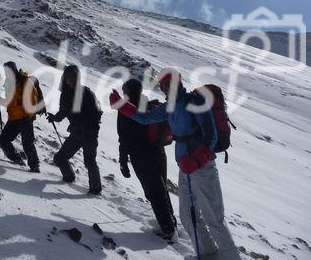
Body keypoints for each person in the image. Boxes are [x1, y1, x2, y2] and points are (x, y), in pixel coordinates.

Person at [110, 68, 241, 260]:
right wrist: (122, 105)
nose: (167, 88)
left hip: (203, 168)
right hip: (185, 168)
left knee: (215, 220)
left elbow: (211, 135)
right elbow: (145, 118)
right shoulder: (169, 106)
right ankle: (207, 254)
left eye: (170, 83)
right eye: (164, 85)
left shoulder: (194, 101)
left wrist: (197, 159)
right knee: (188, 217)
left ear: (179, 82)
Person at [117, 78, 177, 241]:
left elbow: (124, 137)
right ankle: (171, 223)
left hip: (141, 155)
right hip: (158, 152)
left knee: (154, 192)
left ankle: (167, 229)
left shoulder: (126, 106)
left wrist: (123, 161)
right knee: (162, 189)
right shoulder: (148, 103)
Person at [47, 65, 103, 195]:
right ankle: (69, 177)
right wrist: (55, 118)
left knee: (90, 162)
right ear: (65, 78)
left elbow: (97, 114)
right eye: (68, 77)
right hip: (76, 133)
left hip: (89, 134)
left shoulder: (87, 93)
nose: (70, 79)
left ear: (78, 78)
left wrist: (87, 129)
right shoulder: (65, 95)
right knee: (60, 158)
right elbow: (64, 111)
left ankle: (96, 189)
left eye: (73, 76)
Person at [0, 61, 40, 173]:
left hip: (25, 118)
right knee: (3, 140)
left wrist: (29, 115)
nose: (7, 72)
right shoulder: (8, 83)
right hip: (14, 118)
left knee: (27, 144)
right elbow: (10, 102)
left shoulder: (25, 81)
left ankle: (35, 168)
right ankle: (17, 160)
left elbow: (33, 100)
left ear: (14, 70)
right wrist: (1, 101)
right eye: (6, 70)